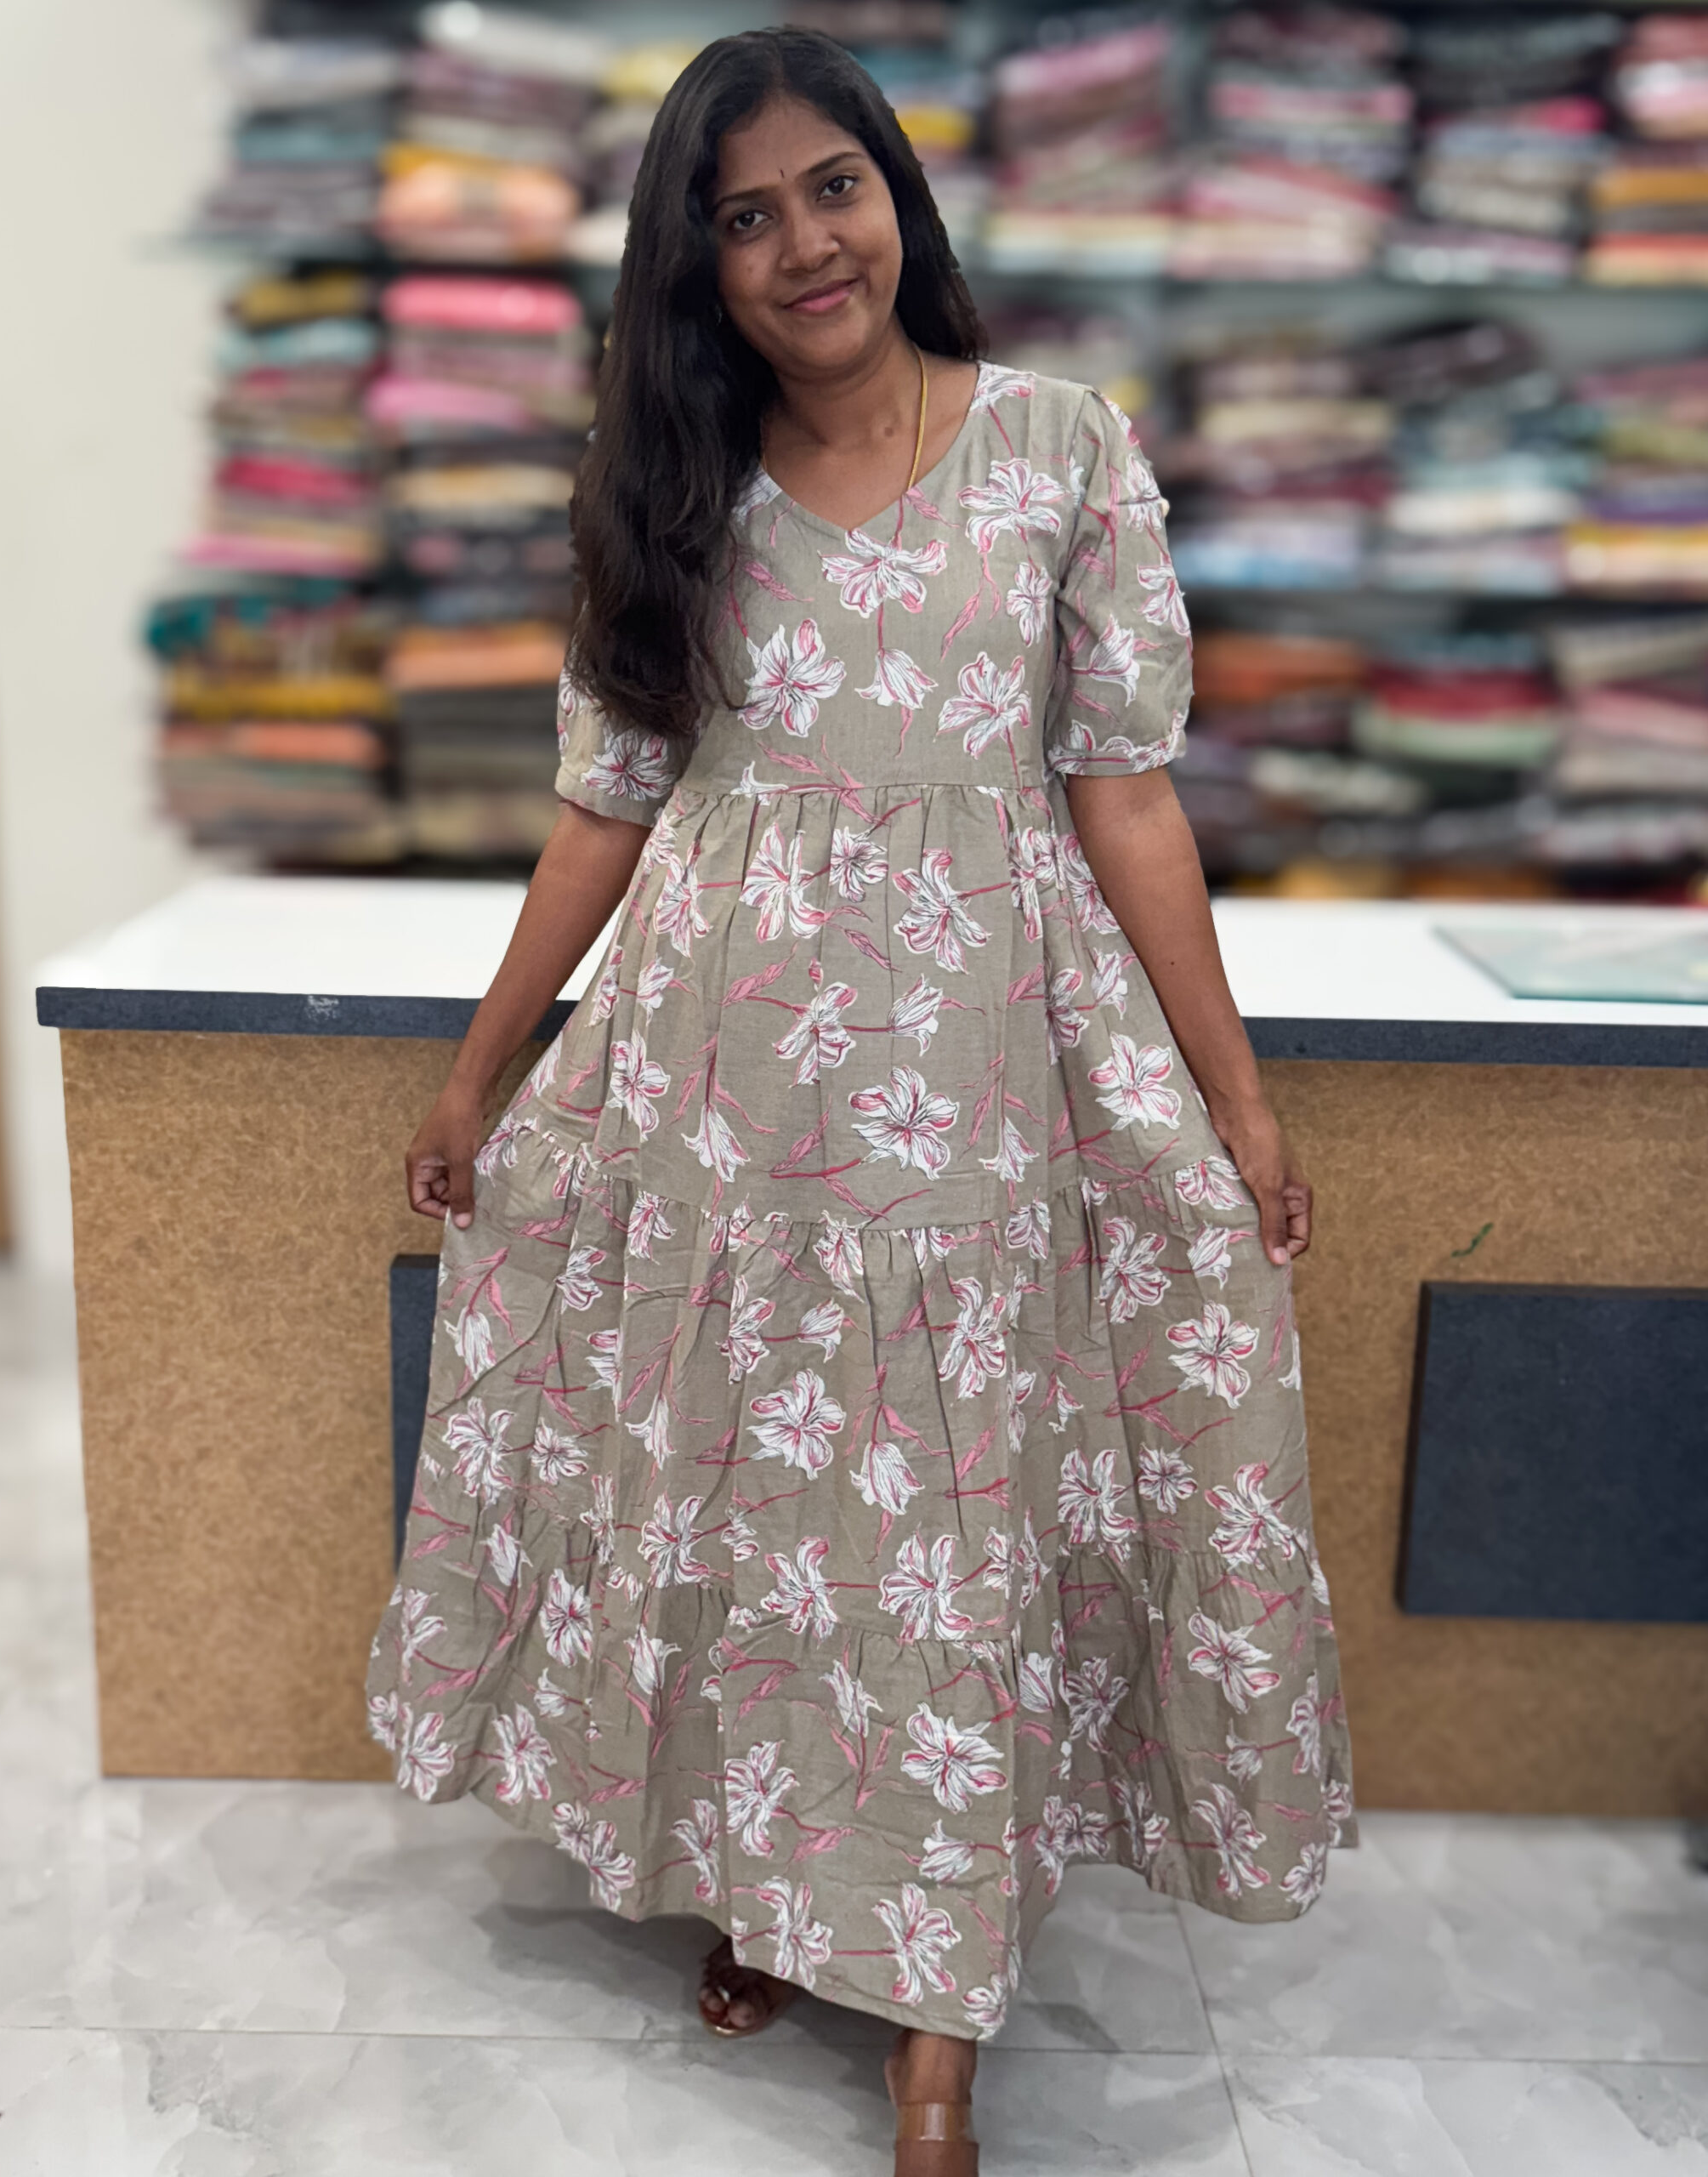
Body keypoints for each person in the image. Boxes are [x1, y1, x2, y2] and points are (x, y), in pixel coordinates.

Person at [366, 27, 1357, 2175]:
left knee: (943, 1520)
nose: (804, 242)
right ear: (694, 265)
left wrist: (1238, 1103)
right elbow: (607, 803)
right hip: (721, 1098)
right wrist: (477, 1066)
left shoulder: (1057, 447)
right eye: (743, 216)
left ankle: (934, 2001)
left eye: (833, 185)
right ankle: (768, 1876)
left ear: (898, 192)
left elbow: (1124, 792)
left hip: (979, 1084)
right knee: (756, 1494)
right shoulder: (669, 491)